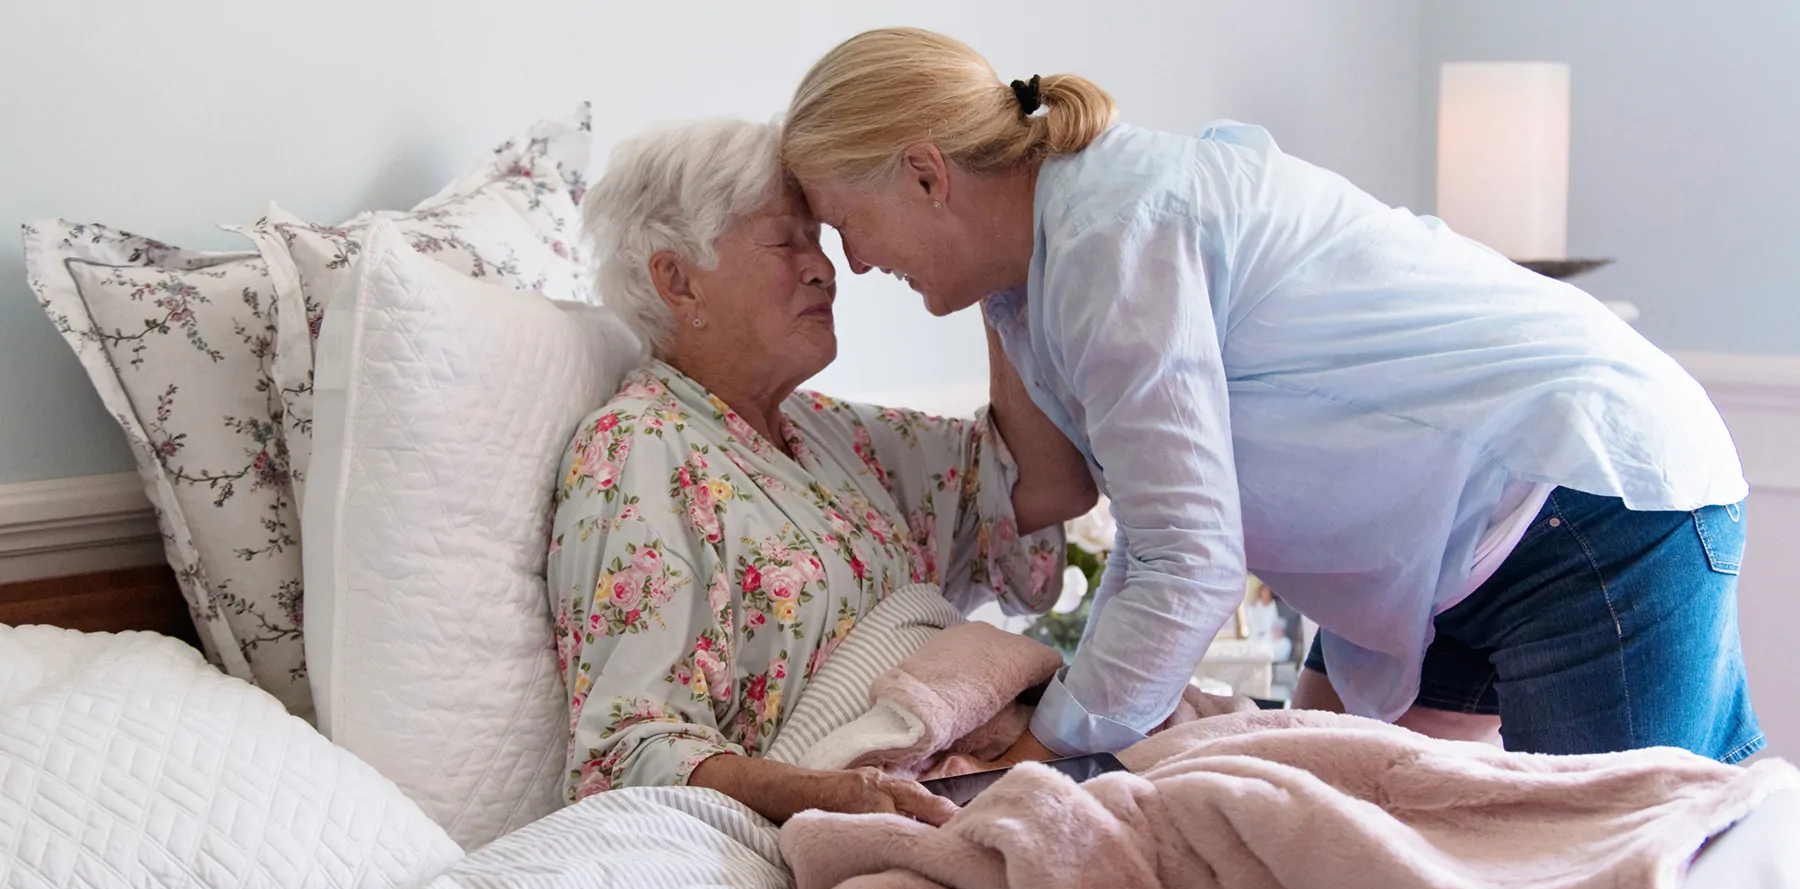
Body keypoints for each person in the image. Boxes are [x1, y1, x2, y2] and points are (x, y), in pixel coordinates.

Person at [779, 27, 1762, 764]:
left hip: (1575, 498)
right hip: (1454, 552)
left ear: (926, 175)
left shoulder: (1114, 240)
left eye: (847, 224)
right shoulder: (1039, 273)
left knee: (1610, 854)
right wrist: (1075, 719)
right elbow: (1125, 518)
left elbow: (1188, 563)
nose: (853, 263)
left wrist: (1050, 747)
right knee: (1335, 821)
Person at [548, 117, 1094, 824]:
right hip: (869, 806)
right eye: (786, 241)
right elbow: (627, 753)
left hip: (979, 764)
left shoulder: (831, 432)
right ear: (678, 282)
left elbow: (1041, 484)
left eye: (820, 239)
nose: (825, 269)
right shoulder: (639, 447)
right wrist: (837, 797)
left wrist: (993, 265)